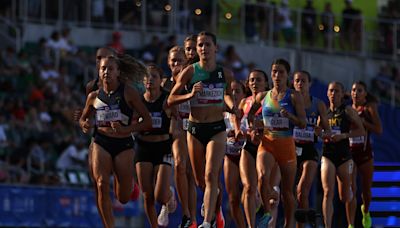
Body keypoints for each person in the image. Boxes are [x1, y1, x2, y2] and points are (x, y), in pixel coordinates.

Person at [167, 31, 236, 228]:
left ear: (216, 48)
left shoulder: (225, 73)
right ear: (196, 49)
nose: (204, 48)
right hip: (195, 128)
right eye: (200, 45)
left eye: (207, 45)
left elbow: (228, 94)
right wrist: (189, 96)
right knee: (199, 181)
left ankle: (207, 222)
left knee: (211, 174)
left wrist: (233, 106)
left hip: (216, 128)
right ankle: (212, 205)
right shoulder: (189, 72)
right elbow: (171, 99)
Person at [79, 55, 152, 228]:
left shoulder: (128, 92)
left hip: (123, 144)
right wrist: (86, 124)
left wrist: (125, 129)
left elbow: (147, 121)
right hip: (101, 141)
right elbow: (83, 120)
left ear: (118, 72)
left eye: (110, 69)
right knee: (101, 183)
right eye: (103, 68)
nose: (106, 72)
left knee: (123, 197)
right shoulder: (94, 96)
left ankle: (130, 184)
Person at [248, 59, 306, 228]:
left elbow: (302, 123)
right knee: (262, 177)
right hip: (267, 143)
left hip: (286, 146)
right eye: (274, 72)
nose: (277, 75)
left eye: (281, 72)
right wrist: (254, 128)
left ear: (287, 75)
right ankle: (266, 213)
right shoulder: (263, 96)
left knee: (287, 193)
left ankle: (289, 224)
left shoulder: (294, 96)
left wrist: (290, 116)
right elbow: (251, 114)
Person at [134, 64, 177, 228]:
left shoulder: (167, 100)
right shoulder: (138, 100)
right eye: (147, 77)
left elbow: (179, 118)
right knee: (147, 195)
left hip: (163, 147)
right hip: (143, 147)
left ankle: (168, 195)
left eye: (154, 77)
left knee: (159, 196)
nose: (149, 80)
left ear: (161, 81)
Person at [321, 81, 365, 228]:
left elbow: (361, 131)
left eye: (337, 91)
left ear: (342, 94)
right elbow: (317, 131)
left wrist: (344, 136)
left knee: (345, 196)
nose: (333, 94)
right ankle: (327, 225)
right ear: (327, 93)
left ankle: (351, 220)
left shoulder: (347, 111)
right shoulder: (324, 113)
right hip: (327, 154)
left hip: (344, 156)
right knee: (327, 191)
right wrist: (321, 134)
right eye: (331, 91)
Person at [164, 46, 198, 228]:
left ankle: (191, 219)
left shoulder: (193, 80)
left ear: (186, 63)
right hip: (174, 132)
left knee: (191, 177)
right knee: (179, 165)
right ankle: (182, 210)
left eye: (180, 61)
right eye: (173, 61)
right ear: (168, 63)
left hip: (192, 131)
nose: (176, 64)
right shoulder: (165, 84)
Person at [292, 71, 330, 228]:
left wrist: (320, 132)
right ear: (293, 84)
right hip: (290, 149)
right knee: (288, 193)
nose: (300, 83)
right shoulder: (288, 102)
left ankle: (303, 226)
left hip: (310, 150)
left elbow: (328, 132)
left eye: (303, 81)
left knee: (302, 190)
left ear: (310, 83)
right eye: (297, 81)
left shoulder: (318, 104)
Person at [346, 81, 382, 228]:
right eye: (353, 90)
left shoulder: (369, 108)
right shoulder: (347, 109)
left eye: (359, 90)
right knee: (350, 189)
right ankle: (350, 224)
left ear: (365, 94)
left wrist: (362, 122)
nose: (355, 93)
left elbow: (379, 129)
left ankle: (365, 212)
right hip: (350, 154)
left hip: (365, 154)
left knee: (366, 190)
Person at [236, 69, 269, 228]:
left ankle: (267, 214)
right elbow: (239, 124)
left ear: (266, 83)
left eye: (258, 80)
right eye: (252, 80)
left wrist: (261, 129)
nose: (255, 83)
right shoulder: (244, 102)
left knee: (268, 190)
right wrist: (239, 132)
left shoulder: (271, 101)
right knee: (248, 187)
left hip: (268, 148)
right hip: (248, 146)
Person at [224, 80, 247, 228]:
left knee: (248, 193)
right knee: (233, 199)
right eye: (231, 91)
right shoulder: (223, 113)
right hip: (230, 156)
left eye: (237, 91)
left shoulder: (250, 111)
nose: (234, 94)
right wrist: (227, 133)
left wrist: (243, 134)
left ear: (244, 94)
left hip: (247, 155)